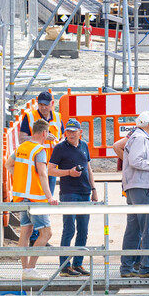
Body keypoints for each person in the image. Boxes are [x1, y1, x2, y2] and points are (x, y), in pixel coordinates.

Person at [8, 119, 60, 271]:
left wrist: (21, 177)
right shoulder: (39, 150)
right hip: (35, 198)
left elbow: (8, 165)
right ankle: (30, 269)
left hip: (21, 197)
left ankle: (25, 269)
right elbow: (43, 174)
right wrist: (50, 197)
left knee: (25, 232)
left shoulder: (22, 147)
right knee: (46, 233)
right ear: (44, 133)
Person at [49, 118, 94, 276]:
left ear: (80, 132)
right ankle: (65, 266)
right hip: (69, 193)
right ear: (65, 133)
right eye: (68, 131)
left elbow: (88, 168)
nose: (71, 134)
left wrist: (94, 189)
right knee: (69, 229)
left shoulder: (84, 146)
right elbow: (50, 170)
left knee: (83, 230)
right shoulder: (60, 148)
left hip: (85, 193)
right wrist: (69, 172)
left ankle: (78, 264)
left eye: (74, 131)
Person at [119, 112, 149, 277]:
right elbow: (136, 161)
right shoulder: (141, 139)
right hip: (141, 186)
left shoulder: (137, 137)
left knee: (134, 228)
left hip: (135, 186)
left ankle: (127, 267)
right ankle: (147, 267)